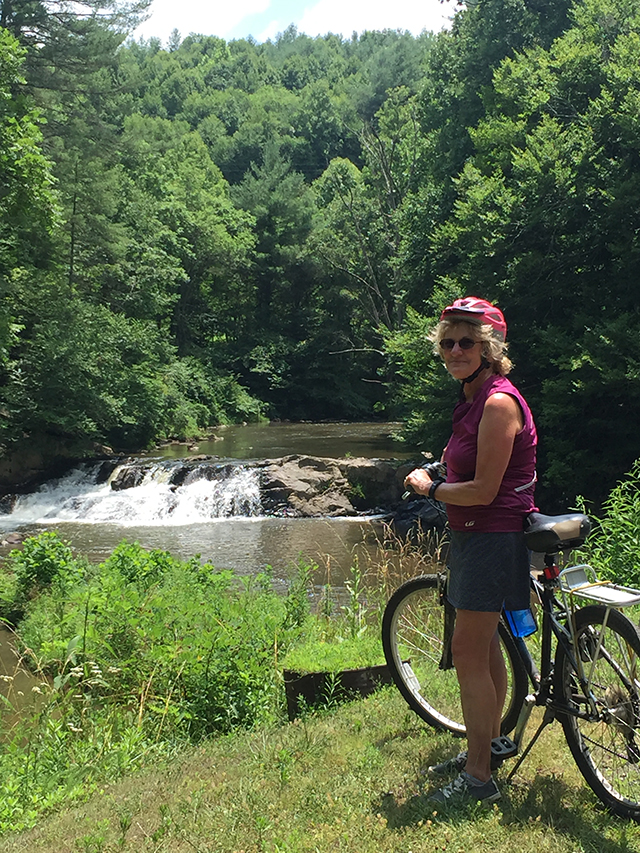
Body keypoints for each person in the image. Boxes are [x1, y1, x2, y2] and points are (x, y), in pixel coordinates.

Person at [403, 296, 537, 806]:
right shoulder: (472, 399)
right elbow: (461, 461)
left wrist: (428, 490)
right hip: (476, 536)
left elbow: (483, 490)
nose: (454, 349)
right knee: (482, 650)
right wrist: (438, 471)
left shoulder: (499, 402)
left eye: (467, 341)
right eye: (447, 342)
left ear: (490, 348)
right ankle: (489, 743)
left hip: (492, 536)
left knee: (466, 653)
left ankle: (479, 778)